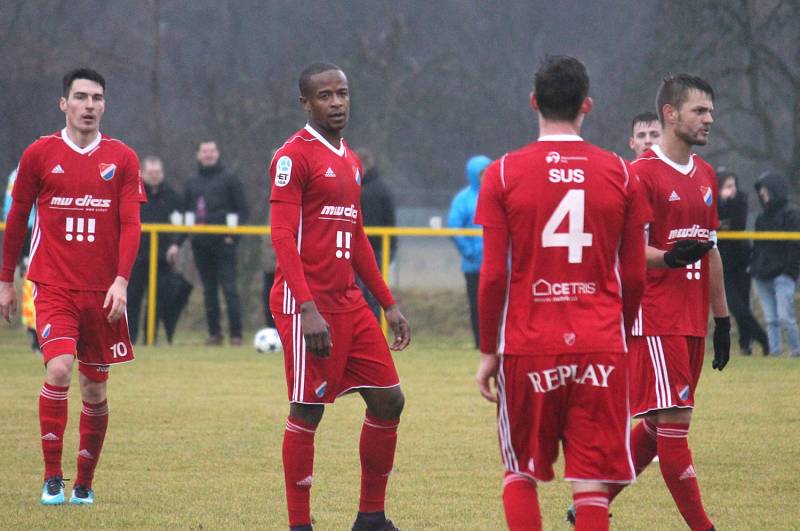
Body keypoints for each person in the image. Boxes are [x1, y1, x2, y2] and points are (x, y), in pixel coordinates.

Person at [475, 55, 649, 531]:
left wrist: (489, 348)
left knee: (520, 472)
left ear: (534, 102)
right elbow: (634, 275)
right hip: (601, 343)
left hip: (529, 344)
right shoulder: (622, 172)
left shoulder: (503, 173)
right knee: (592, 480)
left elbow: (492, 275)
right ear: (586, 106)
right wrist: (619, 328)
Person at [269, 62, 411, 531]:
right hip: (305, 303)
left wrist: (387, 302)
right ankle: (299, 524)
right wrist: (307, 308)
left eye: (343, 94)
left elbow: (358, 236)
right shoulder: (293, 156)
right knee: (308, 410)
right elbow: (282, 236)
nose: (337, 103)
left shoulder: (350, 159)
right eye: (326, 96)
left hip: (349, 301)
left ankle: (370, 517)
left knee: (389, 400)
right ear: (306, 103)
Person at [0, 68, 146, 505]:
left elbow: (131, 224)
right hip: (53, 285)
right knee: (59, 368)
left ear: (104, 105)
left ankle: (83, 482)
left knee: (95, 389)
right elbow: (15, 224)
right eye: (80, 97)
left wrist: (121, 281)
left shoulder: (122, 158)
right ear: (63, 103)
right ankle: (51, 477)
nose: (88, 105)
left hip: (102, 292)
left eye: (96, 98)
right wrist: (5, 280)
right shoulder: (40, 154)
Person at [610, 74, 731, 531]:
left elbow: (711, 247)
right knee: (676, 423)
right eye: (700, 111)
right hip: (655, 316)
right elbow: (629, 251)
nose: (709, 120)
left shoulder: (705, 175)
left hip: (692, 319)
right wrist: (668, 257)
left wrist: (723, 320)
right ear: (670, 114)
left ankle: (594, 500)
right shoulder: (640, 174)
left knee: (660, 430)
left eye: (711, 112)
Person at [169, 140, 248, 346]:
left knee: (229, 289)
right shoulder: (192, 182)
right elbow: (186, 214)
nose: (208, 154)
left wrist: (234, 237)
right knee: (208, 291)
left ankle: (236, 335)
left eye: (212, 150)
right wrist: (177, 243)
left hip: (225, 244)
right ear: (198, 155)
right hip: (200, 245)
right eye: (204, 151)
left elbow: (243, 210)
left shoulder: (230, 179)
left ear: (218, 153)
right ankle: (215, 335)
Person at [126, 156, 184, 344]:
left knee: (157, 301)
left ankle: (150, 339)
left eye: (157, 172)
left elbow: (182, 224)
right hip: (136, 256)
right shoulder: (133, 194)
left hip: (162, 258)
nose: (154, 176)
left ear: (162, 173)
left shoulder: (173, 197)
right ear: (143, 173)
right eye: (150, 172)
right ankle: (129, 339)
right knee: (132, 299)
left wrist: (176, 244)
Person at [717, 168, 768, 355]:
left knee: (744, 306)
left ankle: (746, 345)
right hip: (722, 263)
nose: (732, 189)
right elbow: (713, 224)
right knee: (736, 307)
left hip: (741, 259)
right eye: (727, 186)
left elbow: (737, 224)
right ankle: (763, 338)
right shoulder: (712, 201)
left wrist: (728, 204)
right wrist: (721, 214)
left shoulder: (740, 199)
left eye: (733, 185)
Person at [751, 171, 800, 357]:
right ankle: (775, 353)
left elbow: (795, 247)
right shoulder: (761, 218)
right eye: (761, 190)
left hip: (783, 275)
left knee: (785, 317)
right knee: (771, 319)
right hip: (762, 275)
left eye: (765, 189)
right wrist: (754, 266)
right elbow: (758, 246)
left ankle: (796, 352)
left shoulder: (792, 215)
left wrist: (789, 272)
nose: (762, 194)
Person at [448, 155, 492, 348]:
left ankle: (499, 341)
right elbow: (454, 227)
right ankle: (480, 343)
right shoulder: (463, 199)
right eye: (482, 173)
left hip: (499, 264)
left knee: (500, 305)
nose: (486, 176)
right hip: (474, 265)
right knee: (477, 305)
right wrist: (470, 252)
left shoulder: (500, 193)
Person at [354, 146, 397, 320]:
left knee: (369, 297)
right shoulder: (378, 187)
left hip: (373, 251)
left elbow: (367, 229)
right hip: (379, 250)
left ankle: (371, 333)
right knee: (370, 296)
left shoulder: (370, 192)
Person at [3, 167, 39, 350]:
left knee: (31, 283)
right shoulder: (20, 173)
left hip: (29, 231)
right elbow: (11, 209)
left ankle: (36, 332)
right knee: (30, 284)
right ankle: (35, 332)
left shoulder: (15, 174)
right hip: (30, 231)